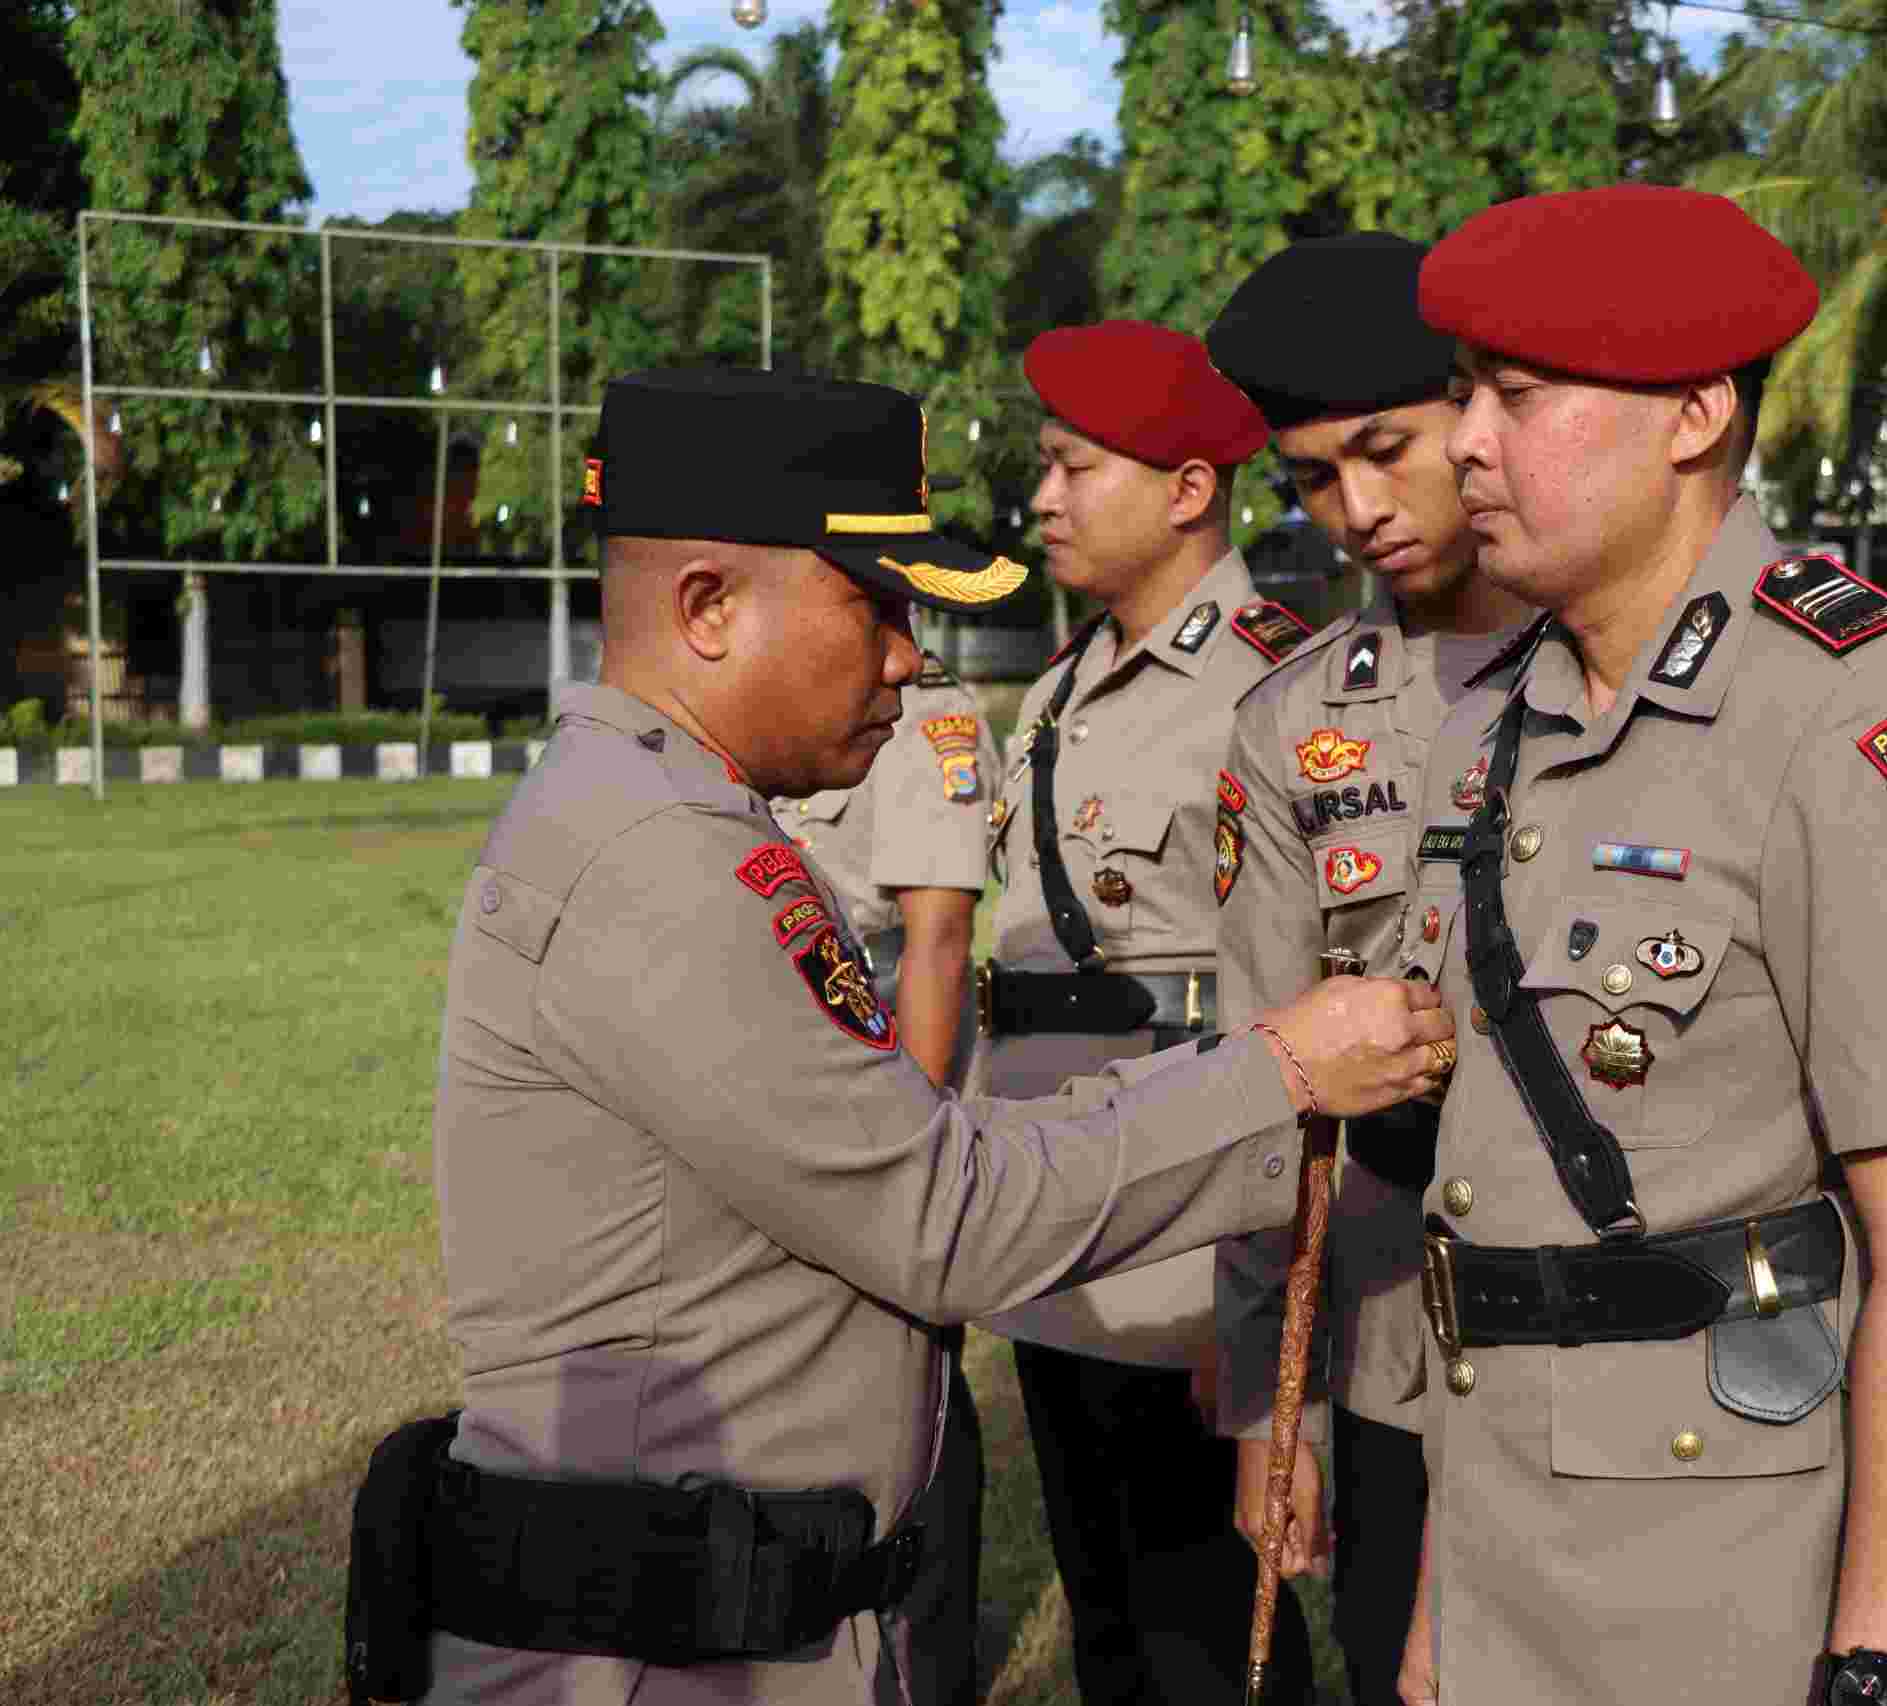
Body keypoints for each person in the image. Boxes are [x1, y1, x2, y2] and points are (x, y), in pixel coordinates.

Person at [353, 367, 1454, 1706]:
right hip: (660, 1651)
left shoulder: (666, 812)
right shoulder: (656, 858)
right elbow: (942, 1211)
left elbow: (916, 1146)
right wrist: (1275, 1076)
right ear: (707, 606)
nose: (907, 656)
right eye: (873, 606)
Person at [1398, 184, 1887, 1706]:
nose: (1466, 442)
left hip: (1739, 1566)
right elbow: (1484, 1206)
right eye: (1463, 395)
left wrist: (1883, 1664)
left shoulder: (1863, 713)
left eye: (1521, 396)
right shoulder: (1489, 729)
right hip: (1505, 1539)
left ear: (1693, 413)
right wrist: (1439, 1616)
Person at [1202, 232, 1536, 1706]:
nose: (1358, 511)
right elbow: (1263, 1107)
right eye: (1312, 479)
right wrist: (1268, 1416)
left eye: (1385, 451)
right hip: (1406, 1345)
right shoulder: (1294, 725)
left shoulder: (1626, 668)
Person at [973, 321, 1326, 1706]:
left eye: (1073, 469)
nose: (1041, 498)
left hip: (1189, 1243)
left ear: (1189, 489)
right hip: (1052, 1234)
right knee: (1109, 1624)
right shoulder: (1057, 692)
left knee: (1209, 1639)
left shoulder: (1278, 680)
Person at [775, 657, 992, 1706]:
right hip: (775, 1106)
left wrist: (902, 1154)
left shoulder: (921, 708)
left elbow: (938, 941)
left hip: (869, 1098)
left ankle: (924, 1662)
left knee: (909, 1405)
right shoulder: (776, 691)